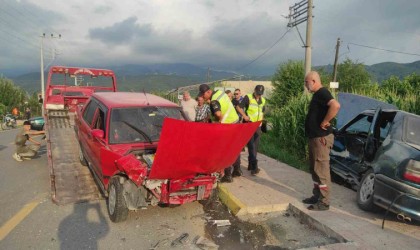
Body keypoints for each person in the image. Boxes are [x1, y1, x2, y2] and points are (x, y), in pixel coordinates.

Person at [302, 71, 340, 211]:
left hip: (321, 138)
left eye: (306, 82)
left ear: (313, 81)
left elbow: (335, 105)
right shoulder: (317, 95)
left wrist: (325, 121)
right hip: (314, 137)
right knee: (314, 169)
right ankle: (316, 195)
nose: (306, 85)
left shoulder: (323, 92)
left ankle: (324, 202)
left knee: (321, 169)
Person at [198, 84, 241, 183]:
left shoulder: (214, 101)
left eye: (203, 94)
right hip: (236, 122)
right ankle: (237, 170)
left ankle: (227, 175)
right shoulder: (220, 93)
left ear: (209, 92)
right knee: (234, 148)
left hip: (227, 126)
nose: (202, 97)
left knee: (225, 151)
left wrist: (215, 123)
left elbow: (218, 114)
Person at [236, 85, 266, 175]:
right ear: (254, 91)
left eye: (260, 94)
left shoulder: (263, 100)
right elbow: (238, 107)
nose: (258, 95)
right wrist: (244, 116)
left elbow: (262, 112)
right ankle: (254, 167)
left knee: (255, 147)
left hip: (258, 126)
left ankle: (250, 164)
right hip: (249, 125)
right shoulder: (248, 97)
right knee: (251, 145)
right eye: (257, 93)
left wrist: (262, 123)